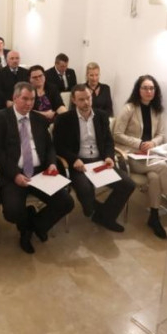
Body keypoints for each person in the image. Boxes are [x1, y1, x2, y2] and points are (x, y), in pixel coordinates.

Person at [0, 82, 74, 254]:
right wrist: (15, 175)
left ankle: (32, 227)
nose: (29, 103)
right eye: (25, 99)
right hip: (13, 173)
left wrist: (51, 163)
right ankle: (28, 225)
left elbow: (49, 147)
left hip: (40, 172)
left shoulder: (39, 119)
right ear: (15, 98)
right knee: (12, 212)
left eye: (32, 99)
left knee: (66, 202)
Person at [113, 75, 167, 238]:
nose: (149, 91)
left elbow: (160, 134)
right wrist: (139, 143)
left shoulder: (156, 111)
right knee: (162, 166)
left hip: (149, 155)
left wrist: (153, 143)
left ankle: (154, 218)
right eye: (145, 88)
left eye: (151, 88)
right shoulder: (129, 108)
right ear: (138, 90)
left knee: (154, 177)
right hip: (130, 155)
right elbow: (117, 134)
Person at [53, 85, 135, 232]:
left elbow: (109, 141)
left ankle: (105, 217)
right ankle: (93, 209)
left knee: (128, 184)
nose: (86, 102)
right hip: (79, 163)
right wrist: (73, 159)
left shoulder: (102, 116)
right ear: (73, 100)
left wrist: (109, 157)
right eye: (81, 99)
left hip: (100, 161)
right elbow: (58, 146)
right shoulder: (64, 119)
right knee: (85, 191)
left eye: (88, 98)